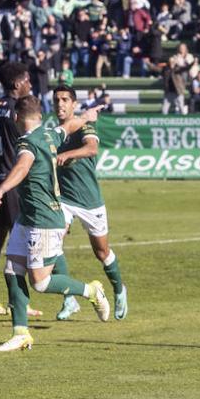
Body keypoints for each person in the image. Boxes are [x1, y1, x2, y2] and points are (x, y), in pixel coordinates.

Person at [0, 96, 109, 352]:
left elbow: (22, 167)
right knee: (11, 270)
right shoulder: (49, 134)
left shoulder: (28, 143)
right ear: (39, 116)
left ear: (16, 118)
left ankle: (91, 291)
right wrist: (87, 116)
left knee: (40, 282)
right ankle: (21, 333)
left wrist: (1, 189)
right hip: (27, 217)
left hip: (43, 219)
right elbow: (71, 126)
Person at [50, 85, 128, 322]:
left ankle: (118, 289)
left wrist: (68, 155)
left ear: (74, 104)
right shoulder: (54, 130)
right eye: (56, 100)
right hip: (63, 199)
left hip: (89, 200)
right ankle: (69, 300)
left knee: (102, 252)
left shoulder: (85, 125)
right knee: (52, 245)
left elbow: (92, 148)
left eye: (65, 99)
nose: (60, 104)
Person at [0, 62, 33, 317]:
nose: (30, 85)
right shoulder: (17, 110)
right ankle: (19, 302)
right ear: (16, 85)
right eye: (27, 81)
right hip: (13, 183)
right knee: (20, 244)